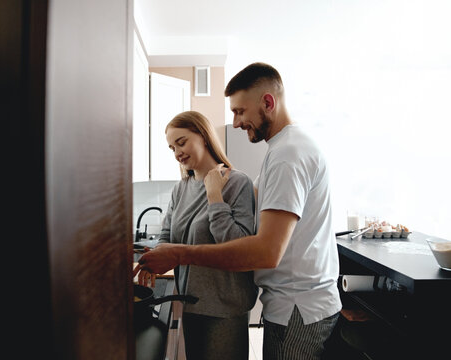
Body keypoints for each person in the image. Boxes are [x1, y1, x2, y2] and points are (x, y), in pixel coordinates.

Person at [134, 63, 342, 360]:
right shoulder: (280, 153)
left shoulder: (288, 156)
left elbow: (265, 253)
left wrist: (182, 251)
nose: (235, 121)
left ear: (267, 103)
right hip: (288, 304)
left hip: (297, 308)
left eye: (240, 111)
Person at [137, 110, 258, 360]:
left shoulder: (237, 183)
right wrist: (154, 259)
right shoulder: (181, 189)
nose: (177, 152)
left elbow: (239, 247)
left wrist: (215, 197)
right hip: (191, 304)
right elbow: (167, 235)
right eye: (172, 148)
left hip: (224, 308)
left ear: (203, 136)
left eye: (181, 142)